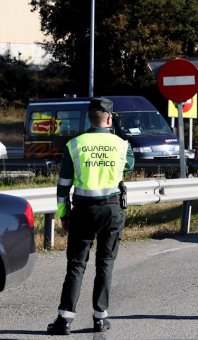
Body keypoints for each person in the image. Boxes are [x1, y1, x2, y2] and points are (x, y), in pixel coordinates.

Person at [47, 98, 134, 335]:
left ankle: (64, 320)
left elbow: (63, 185)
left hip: (84, 210)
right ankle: (100, 318)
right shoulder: (121, 144)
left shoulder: (75, 144)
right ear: (109, 118)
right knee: (105, 264)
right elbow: (129, 166)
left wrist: (64, 214)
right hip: (112, 210)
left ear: (89, 117)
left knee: (76, 265)